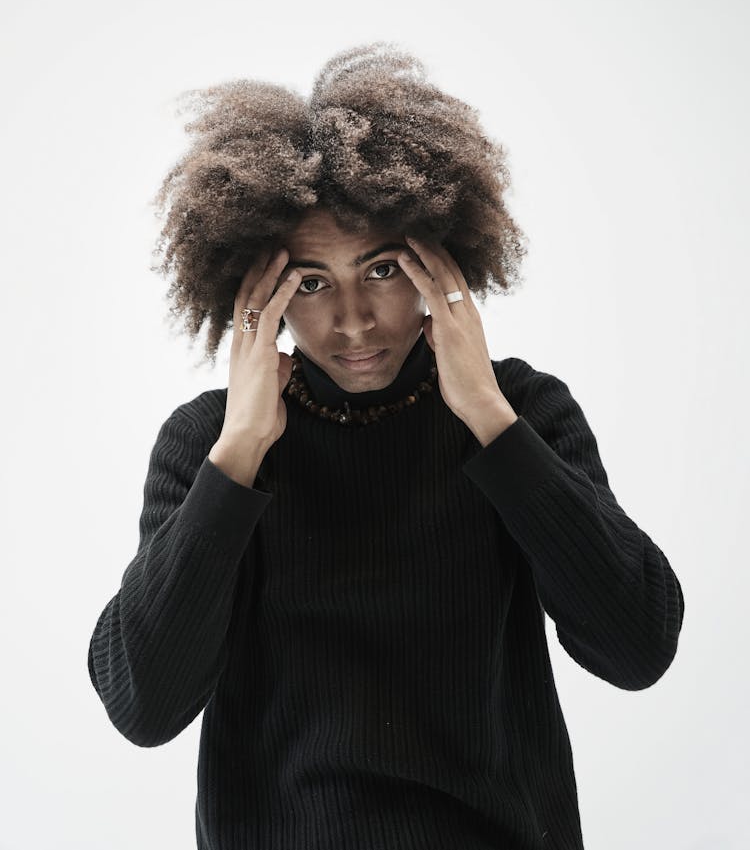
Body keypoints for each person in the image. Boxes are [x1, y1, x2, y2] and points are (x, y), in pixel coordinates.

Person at [87, 42, 685, 850]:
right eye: (310, 282)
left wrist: (489, 419)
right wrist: (238, 459)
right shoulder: (209, 442)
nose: (354, 320)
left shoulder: (522, 413)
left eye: (381, 269)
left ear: (443, 265)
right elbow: (144, 705)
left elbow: (637, 645)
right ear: (253, 294)